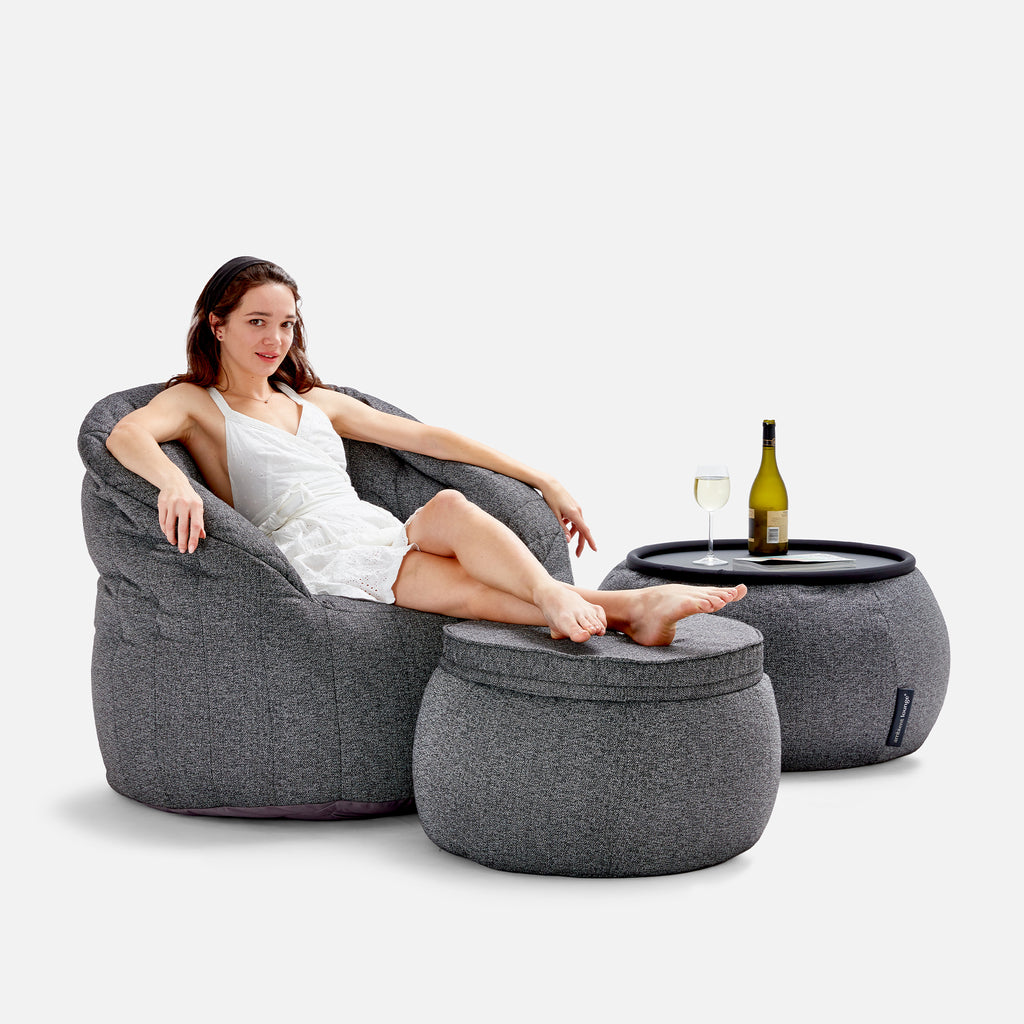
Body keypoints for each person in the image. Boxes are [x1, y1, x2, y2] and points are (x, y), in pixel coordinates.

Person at [106, 256, 746, 646]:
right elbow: (122, 432)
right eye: (256, 322)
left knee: (451, 507)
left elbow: (428, 438)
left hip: (367, 527)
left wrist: (543, 478)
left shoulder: (313, 401)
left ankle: (582, 602)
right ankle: (623, 608)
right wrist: (175, 482)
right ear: (216, 324)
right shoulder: (198, 404)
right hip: (309, 549)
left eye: (286, 324)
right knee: (464, 590)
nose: (274, 339)